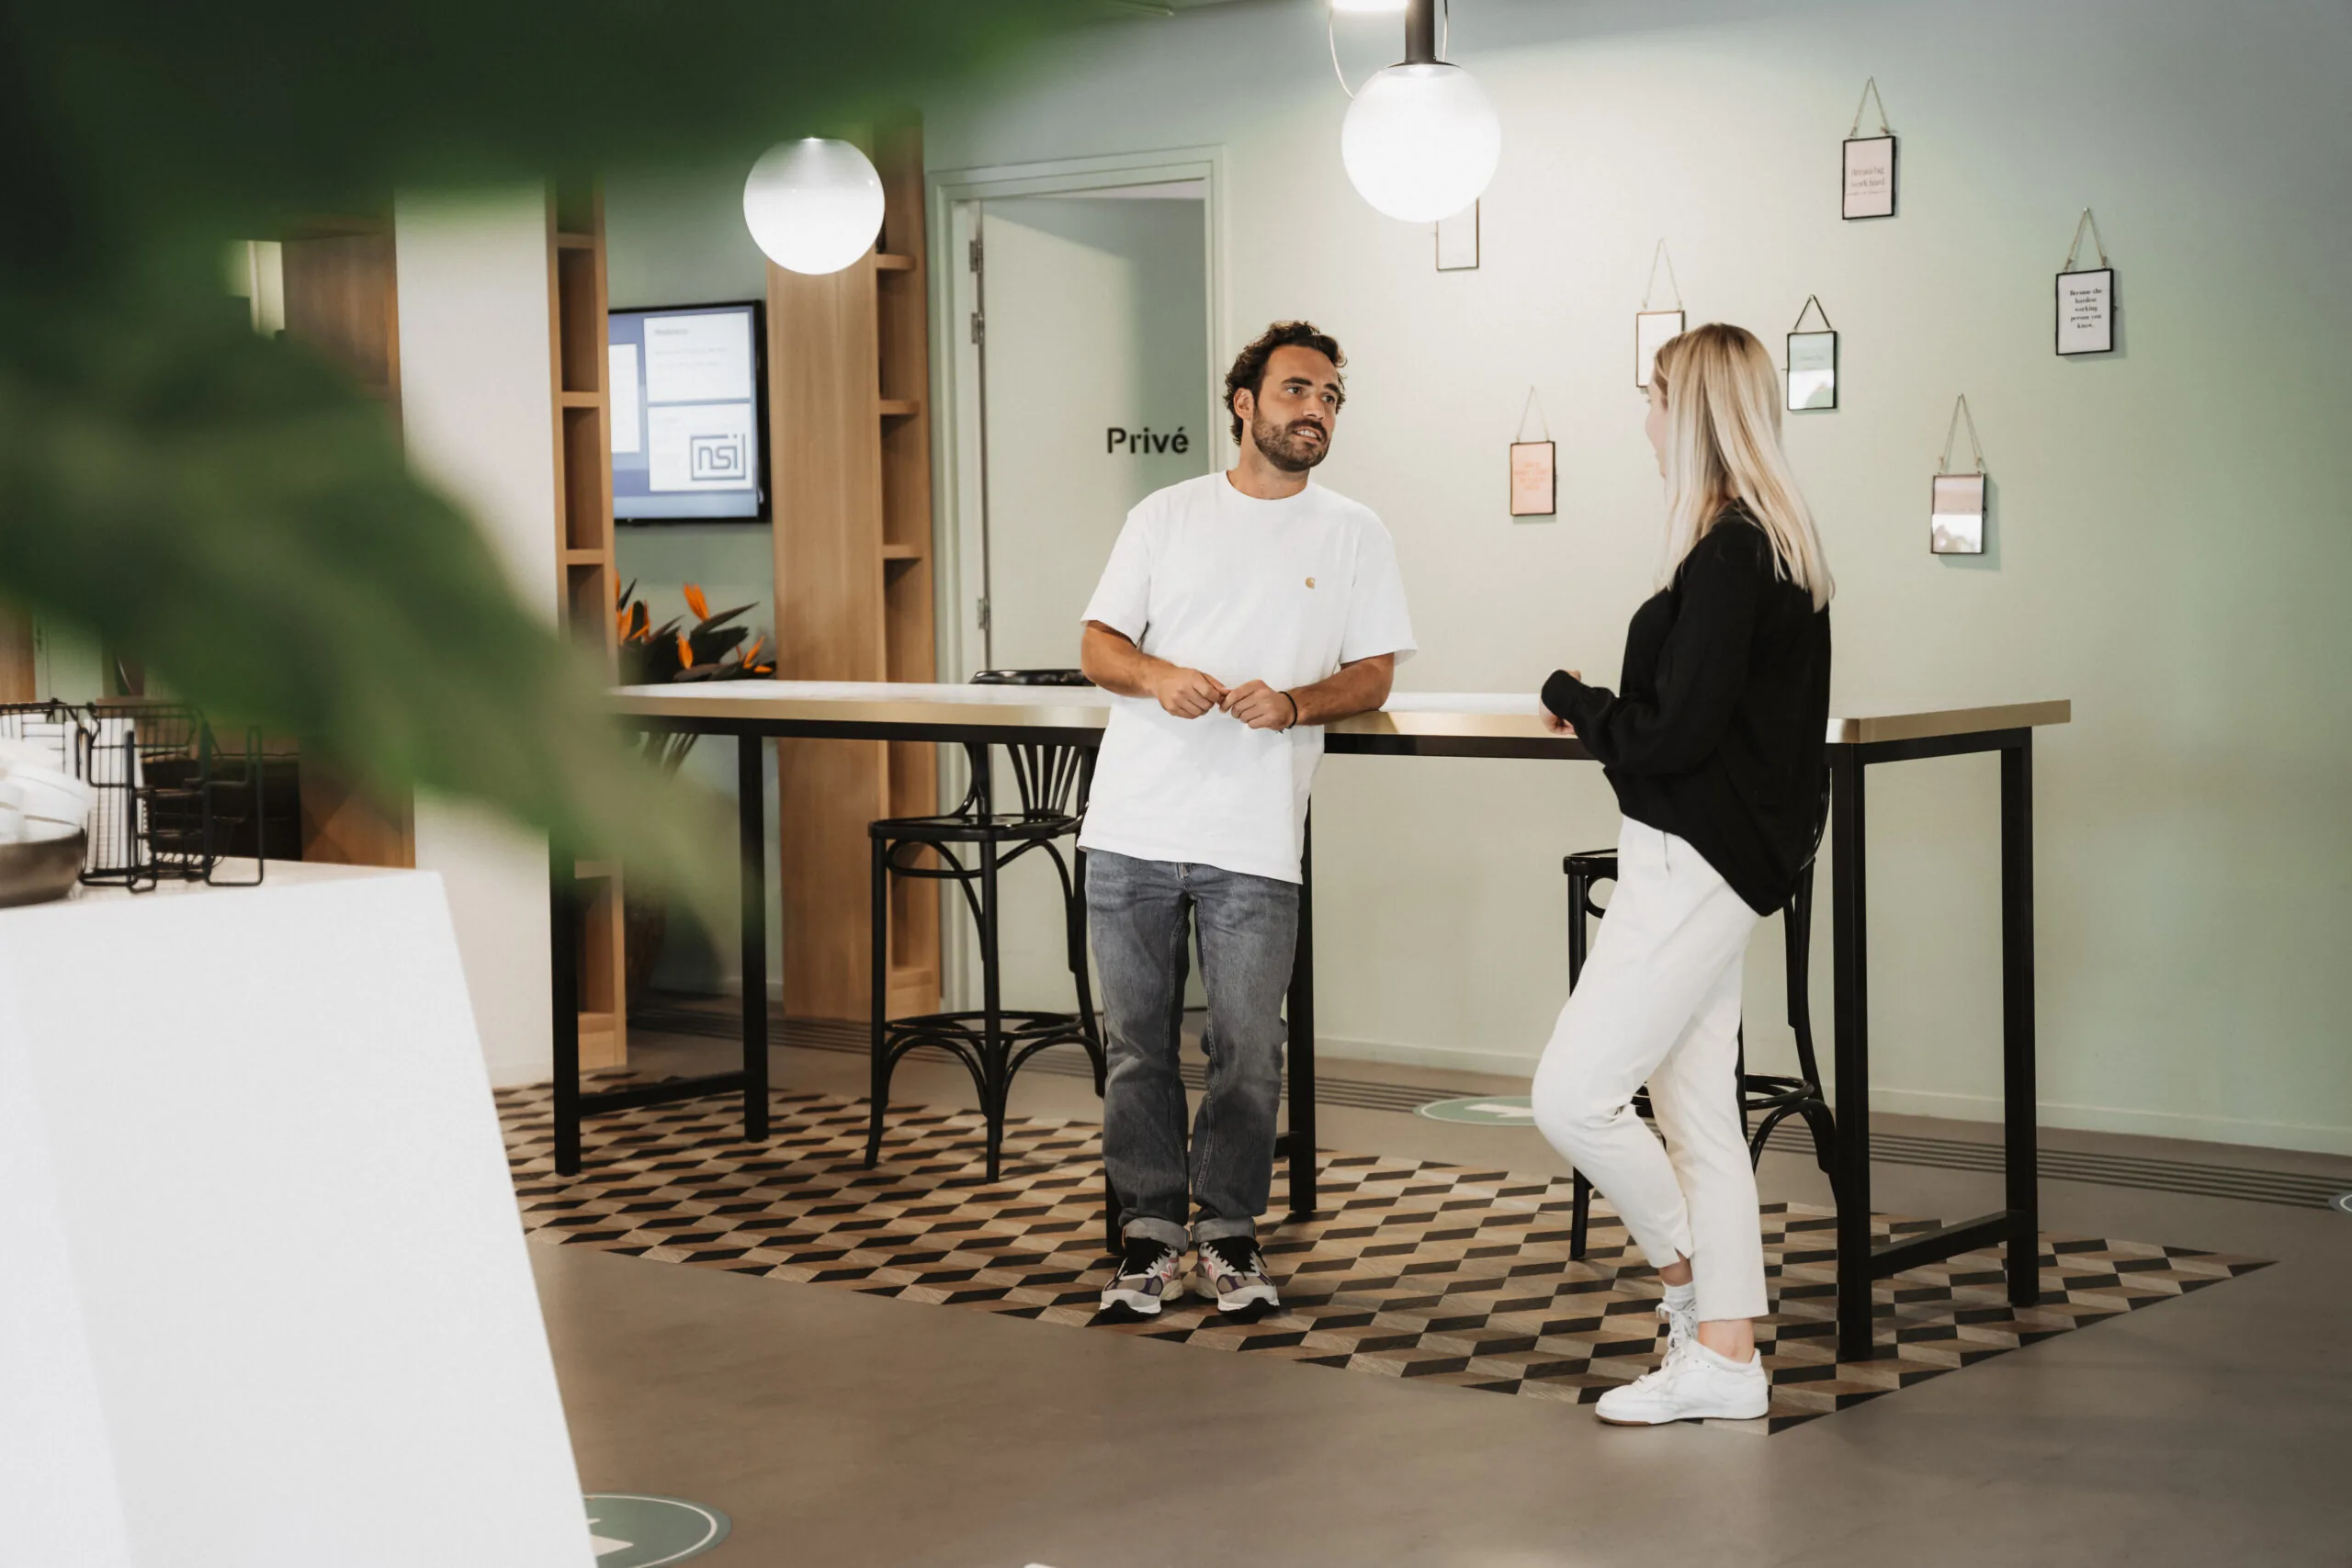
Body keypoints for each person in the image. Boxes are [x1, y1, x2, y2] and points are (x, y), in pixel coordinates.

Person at [1078, 321, 1416, 1319]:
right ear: (1244, 402)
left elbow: (1376, 670)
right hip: (1133, 824)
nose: (1315, 410)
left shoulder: (1354, 530)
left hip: (1254, 837)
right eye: (1297, 390)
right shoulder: (1165, 515)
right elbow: (1098, 645)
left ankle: (1226, 1233)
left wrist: (1299, 702)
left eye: (1330, 398)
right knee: (1136, 1045)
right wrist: (1159, 674)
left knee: (1246, 1048)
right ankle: (1146, 1235)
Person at [1531, 322, 1833, 1424]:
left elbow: (1672, 735)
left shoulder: (1729, 554)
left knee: (1570, 1097)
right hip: (1721, 860)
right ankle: (1728, 1361)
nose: (1644, 419)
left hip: (1690, 861)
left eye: (1654, 396)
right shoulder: (1771, 546)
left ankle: (1692, 1293)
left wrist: (1574, 697)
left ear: (1692, 411)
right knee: (1698, 1120)